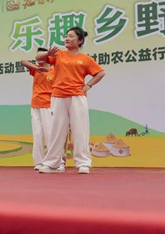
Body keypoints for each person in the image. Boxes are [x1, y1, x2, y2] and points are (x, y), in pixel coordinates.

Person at [36, 27, 105, 174]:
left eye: (71, 36)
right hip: (58, 96)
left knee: (80, 130)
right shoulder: (58, 54)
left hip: (77, 97)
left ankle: (83, 163)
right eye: (66, 36)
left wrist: (89, 85)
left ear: (79, 41)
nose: (67, 38)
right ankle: (52, 164)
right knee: (56, 131)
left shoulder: (85, 59)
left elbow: (100, 72)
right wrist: (48, 53)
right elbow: (38, 57)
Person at [20, 48, 55, 170]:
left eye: (41, 57)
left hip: (48, 105)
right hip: (35, 105)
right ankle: (39, 162)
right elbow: (23, 61)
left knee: (49, 134)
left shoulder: (54, 71)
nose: (38, 59)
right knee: (37, 134)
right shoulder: (35, 69)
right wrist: (36, 68)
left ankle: (57, 161)